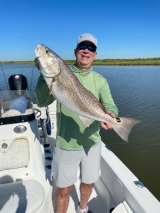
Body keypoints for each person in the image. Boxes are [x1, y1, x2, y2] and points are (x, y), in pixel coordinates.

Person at [34, 33, 118, 213]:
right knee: (63, 190)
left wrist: (111, 115)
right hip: (66, 142)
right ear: (75, 51)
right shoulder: (60, 73)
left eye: (91, 48)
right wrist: (43, 75)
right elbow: (41, 102)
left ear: (95, 54)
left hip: (92, 142)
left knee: (88, 183)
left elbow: (110, 105)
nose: (86, 51)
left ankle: (82, 209)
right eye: (83, 47)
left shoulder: (100, 81)